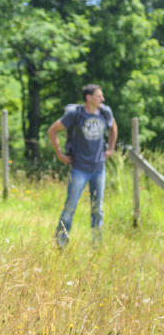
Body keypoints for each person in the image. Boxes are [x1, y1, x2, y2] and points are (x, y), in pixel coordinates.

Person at [48, 84, 117, 248]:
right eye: (99, 96)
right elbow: (53, 130)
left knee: (97, 209)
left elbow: (113, 127)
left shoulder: (104, 112)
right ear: (89, 98)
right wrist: (60, 154)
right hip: (79, 168)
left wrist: (111, 148)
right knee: (70, 207)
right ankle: (60, 243)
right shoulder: (75, 114)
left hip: (98, 168)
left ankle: (97, 245)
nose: (103, 99)